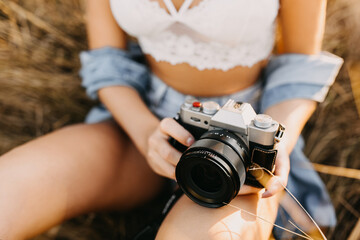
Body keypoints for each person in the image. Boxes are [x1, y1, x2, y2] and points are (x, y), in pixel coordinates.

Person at [0, 0, 343, 239]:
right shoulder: (144, 127)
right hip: (141, 121)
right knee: (9, 189)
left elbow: (301, 64)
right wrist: (149, 133)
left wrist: (275, 137)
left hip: (246, 143)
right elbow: (106, 63)